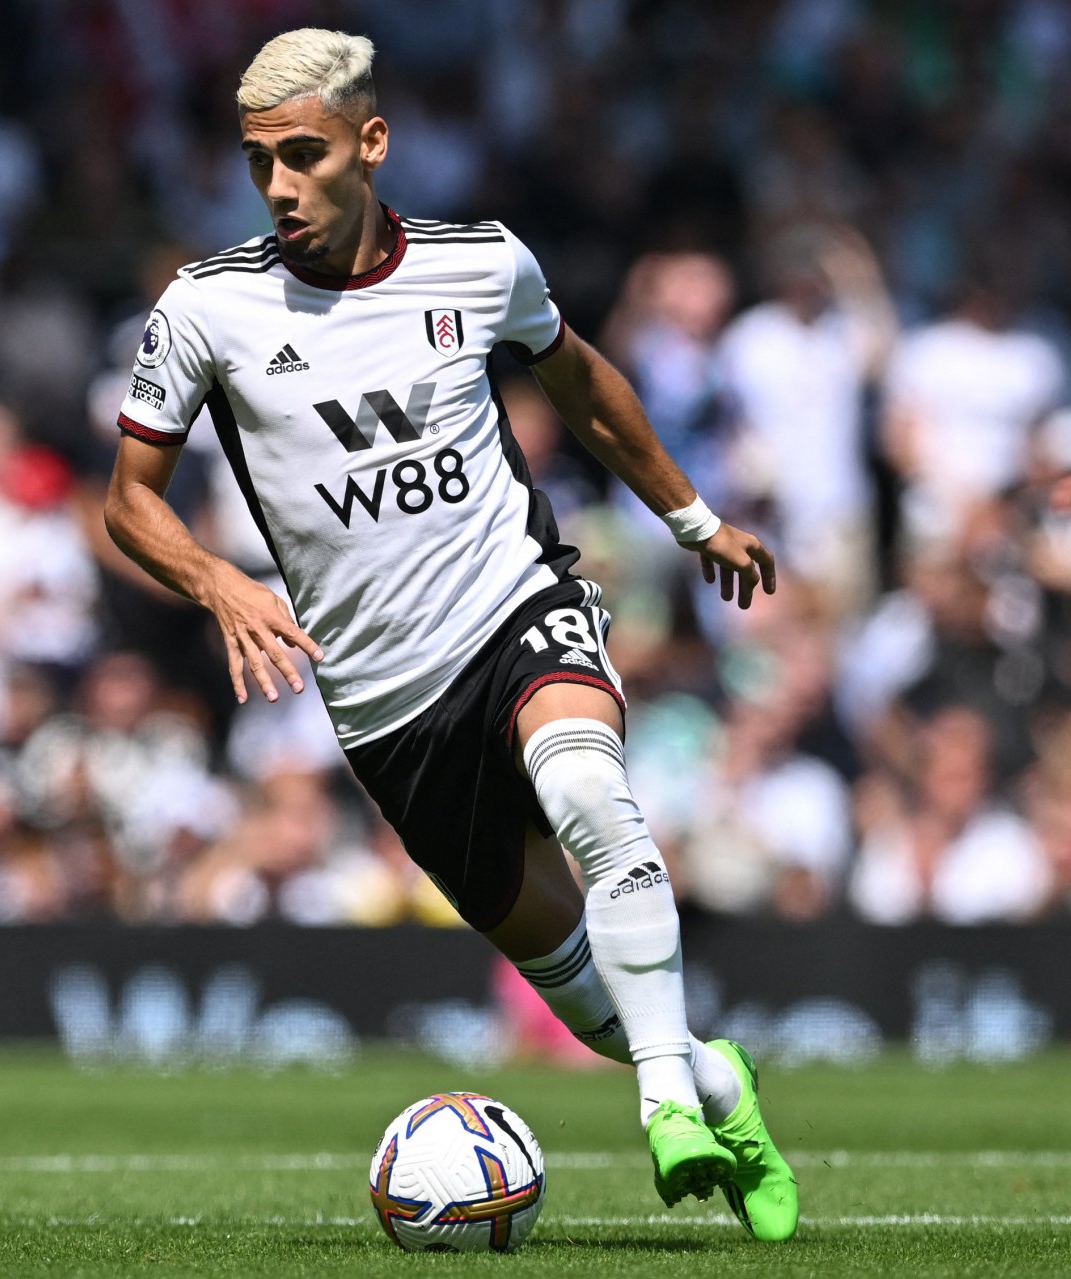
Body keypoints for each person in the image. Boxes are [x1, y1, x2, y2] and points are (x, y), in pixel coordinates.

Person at [102, 30, 795, 1238]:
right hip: (386, 705)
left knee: (587, 784)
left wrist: (692, 518)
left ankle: (667, 1112)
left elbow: (579, 379)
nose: (277, 186)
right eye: (259, 160)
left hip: (515, 605)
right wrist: (217, 581)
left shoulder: (483, 265)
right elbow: (128, 499)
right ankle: (712, 1079)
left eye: (303, 155)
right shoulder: (207, 306)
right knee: (581, 990)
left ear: (370, 145)